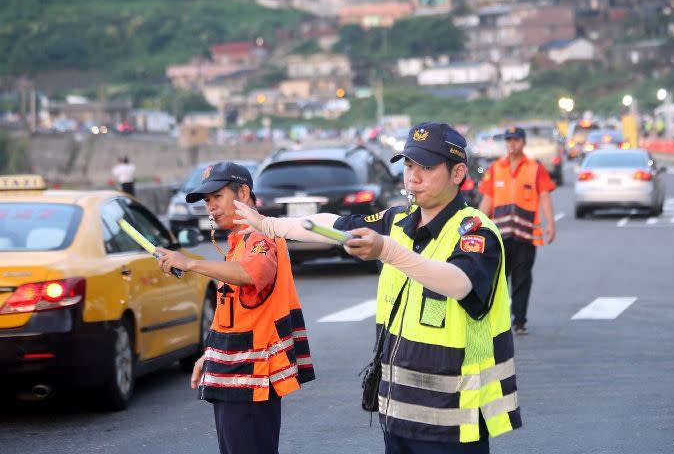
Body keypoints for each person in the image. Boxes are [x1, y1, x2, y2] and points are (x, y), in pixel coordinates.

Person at [234, 123, 521, 454]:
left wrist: (387, 251)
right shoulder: (399, 220)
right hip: (398, 414)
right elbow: (333, 224)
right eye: (409, 165)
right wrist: (268, 224)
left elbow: (460, 283)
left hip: (454, 421)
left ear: (458, 173)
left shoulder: (475, 231)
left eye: (426, 167)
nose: (412, 177)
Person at [154, 161, 314, 454]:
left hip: (253, 380)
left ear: (242, 192)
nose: (211, 207)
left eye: (217, 197)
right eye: (207, 201)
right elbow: (234, 313)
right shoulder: (238, 242)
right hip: (235, 375)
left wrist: (190, 263)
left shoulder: (260, 236)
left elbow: (255, 274)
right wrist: (211, 354)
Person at [476, 126, 555, 335]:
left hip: (525, 236)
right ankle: (496, 320)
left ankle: (519, 320)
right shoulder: (496, 168)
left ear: (524, 142)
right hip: (500, 236)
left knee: (522, 279)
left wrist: (550, 225)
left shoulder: (535, 168)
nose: (512, 143)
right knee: (498, 280)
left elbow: (545, 195)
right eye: (509, 140)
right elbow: (488, 199)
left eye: (516, 140)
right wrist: (476, 225)